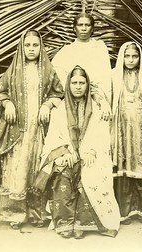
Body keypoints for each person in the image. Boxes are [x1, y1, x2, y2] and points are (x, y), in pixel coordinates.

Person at [36, 66, 120, 239]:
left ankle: (84, 223)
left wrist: (91, 151)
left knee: (91, 171)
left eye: (82, 82)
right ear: (69, 84)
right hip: (69, 153)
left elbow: (102, 134)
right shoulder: (59, 111)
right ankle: (65, 222)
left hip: (90, 154)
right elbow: (54, 137)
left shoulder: (97, 109)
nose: (78, 86)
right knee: (63, 171)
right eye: (74, 82)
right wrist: (65, 152)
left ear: (88, 85)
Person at [0, 29, 64, 229]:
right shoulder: (13, 71)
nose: (31, 49)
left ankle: (36, 213)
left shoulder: (47, 71)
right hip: (18, 130)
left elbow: (59, 92)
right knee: (18, 168)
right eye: (27, 45)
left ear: (41, 48)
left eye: (35, 45)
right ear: (21, 48)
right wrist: (7, 103)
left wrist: (47, 105)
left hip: (39, 129)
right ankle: (14, 214)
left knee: (36, 168)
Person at [111, 41, 142, 225]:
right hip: (121, 131)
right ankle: (125, 212)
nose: (130, 60)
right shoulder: (113, 77)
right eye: (127, 56)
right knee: (124, 167)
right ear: (121, 58)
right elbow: (100, 95)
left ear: (139, 58)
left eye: (134, 56)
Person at [52, 12, 112, 120]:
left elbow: (105, 76)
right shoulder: (67, 50)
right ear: (74, 28)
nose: (84, 28)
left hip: (95, 97)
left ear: (92, 28)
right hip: (73, 96)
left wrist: (99, 97)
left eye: (87, 25)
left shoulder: (99, 48)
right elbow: (56, 71)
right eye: (80, 25)